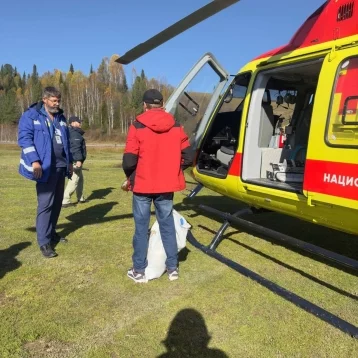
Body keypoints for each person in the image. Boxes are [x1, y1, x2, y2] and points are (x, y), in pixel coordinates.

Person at [122, 88, 193, 283]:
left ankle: (138, 269)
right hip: (166, 186)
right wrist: (173, 170)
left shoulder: (137, 126)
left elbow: (129, 160)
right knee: (167, 225)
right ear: (162, 104)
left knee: (141, 227)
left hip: (143, 186)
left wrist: (131, 176)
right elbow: (188, 156)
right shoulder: (176, 126)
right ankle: (172, 268)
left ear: (144, 105)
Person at [18, 87, 73, 258]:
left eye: (58, 100)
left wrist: (69, 162)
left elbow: (66, 141)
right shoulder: (31, 116)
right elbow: (24, 139)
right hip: (44, 168)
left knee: (56, 203)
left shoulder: (61, 118)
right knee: (46, 205)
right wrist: (35, 161)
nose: (57, 104)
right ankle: (44, 242)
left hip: (60, 167)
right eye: (54, 101)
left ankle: (51, 233)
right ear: (45, 99)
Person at [62, 116, 87, 207]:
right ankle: (65, 200)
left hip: (74, 160)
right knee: (74, 180)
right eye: (78, 122)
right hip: (75, 161)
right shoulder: (74, 134)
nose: (80, 123)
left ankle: (80, 198)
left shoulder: (74, 132)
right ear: (72, 123)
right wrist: (78, 160)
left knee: (80, 179)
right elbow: (76, 149)